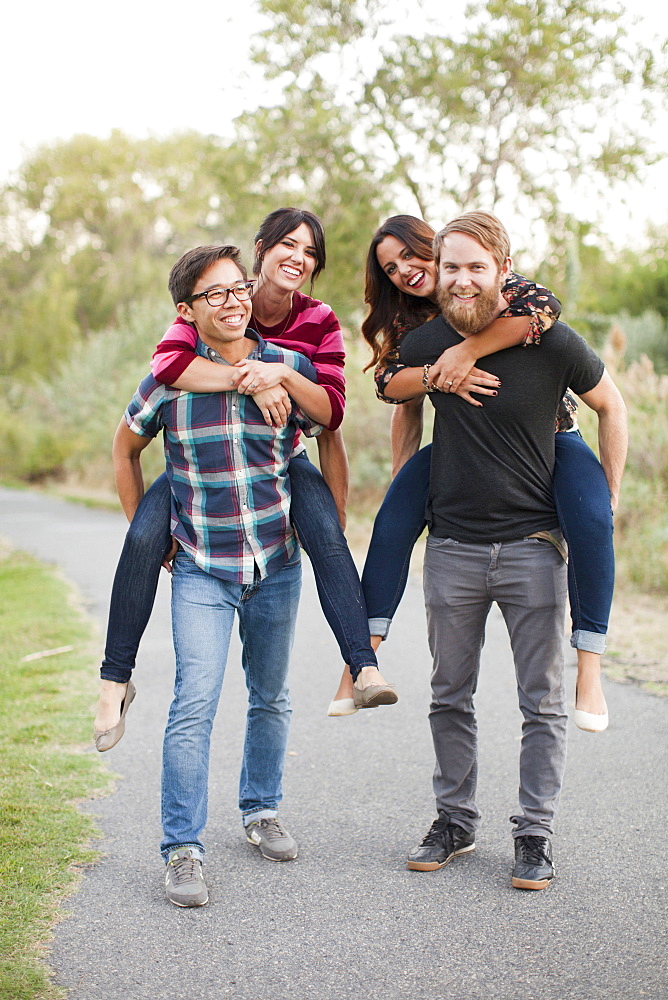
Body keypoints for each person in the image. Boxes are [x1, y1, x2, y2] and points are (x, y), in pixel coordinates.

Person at [93, 208, 395, 746]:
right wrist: (247, 379)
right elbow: (168, 369)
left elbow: (330, 415)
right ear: (262, 249)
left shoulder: (319, 319)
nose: (299, 259)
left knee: (327, 532)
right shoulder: (225, 298)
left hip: (282, 453)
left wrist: (277, 372)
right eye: (289, 246)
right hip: (203, 452)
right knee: (142, 534)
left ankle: (362, 668)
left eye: (310, 252)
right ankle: (114, 678)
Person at [390, 211, 627, 889]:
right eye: (451, 266)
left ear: (502, 269)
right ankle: (455, 823)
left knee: (542, 702)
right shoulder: (430, 340)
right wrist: (410, 485)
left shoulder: (548, 340)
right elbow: (396, 400)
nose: (462, 278)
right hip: (454, 549)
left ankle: (534, 834)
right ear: (437, 272)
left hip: (532, 549)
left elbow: (612, 405)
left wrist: (604, 494)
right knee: (449, 695)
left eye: (476, 266)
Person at [329, 214, 615, 732]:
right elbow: (397, 391)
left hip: (550, 435)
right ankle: (361, 662)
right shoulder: (414, 325)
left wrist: (467, 351)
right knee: (392, 522)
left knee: (593, 520)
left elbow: (545, 310)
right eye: (390, 268)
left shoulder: (503, 288)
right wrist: (438, 381)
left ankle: (590, 667)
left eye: (412, 259)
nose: (403, 273)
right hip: (463, 443)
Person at [110, 243, 323, 907]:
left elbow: (330, 425)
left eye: (238, 289)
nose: (233, 301)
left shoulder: (288, 365)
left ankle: (261, 810)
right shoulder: (167, 382)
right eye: (215, 294)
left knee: (271, 695)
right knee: (194, 702)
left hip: (276, 562)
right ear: (187, 310)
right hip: (203, 566)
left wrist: (330, 520)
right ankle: (181, 849)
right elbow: (125, 448)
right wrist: (151, 535)